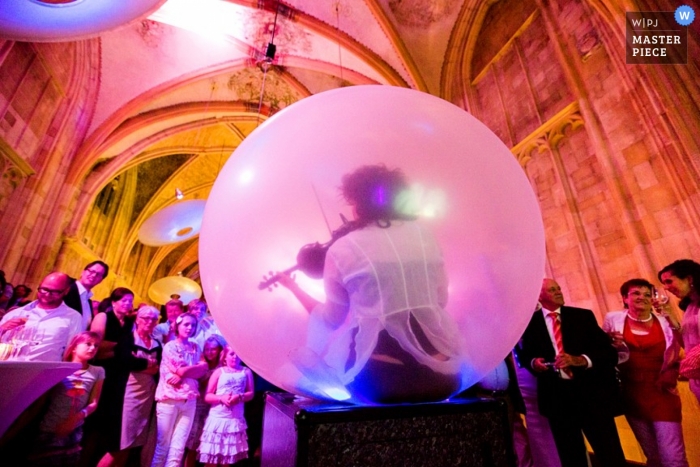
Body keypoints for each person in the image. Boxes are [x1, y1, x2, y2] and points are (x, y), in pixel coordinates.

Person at [276, 164, 463, 404]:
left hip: (382, 379)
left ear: (357, 202)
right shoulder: (424, 235)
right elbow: (440, 301)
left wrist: (294, 288)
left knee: (291, 375)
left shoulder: (342, 248)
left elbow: (331, 320)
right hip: (443, 377)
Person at [518, 278, 626, 467]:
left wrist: (581, 360)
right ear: (539, 296)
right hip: (557, 399)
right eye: (553, 290)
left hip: (590, 396)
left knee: (610, 453)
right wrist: (534, 363)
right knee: (571, 456)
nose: (559, 292)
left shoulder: (582, 316)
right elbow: (526, 356)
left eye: (559, 288)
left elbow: (608, 353)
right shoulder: (529, 324)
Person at [602, 278, 688, 467]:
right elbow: (602, 352)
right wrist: (608, 341)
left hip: (662, 393)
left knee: (673, 456)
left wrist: (672, 317)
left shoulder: (664, 321)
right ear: (625, 298)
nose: (643, 297)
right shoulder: (613, 319)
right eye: (636, 293)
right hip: (631, 395)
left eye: (647, 294)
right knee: (652, 455)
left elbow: (685, 346)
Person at [95, 306, 162, 467]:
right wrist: (146, 363)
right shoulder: (127, 339)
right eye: (146, 318)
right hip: (127, 395)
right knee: (118, 445)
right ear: (137, 319)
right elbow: (124, 361)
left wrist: (140, 364)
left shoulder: (157, 343)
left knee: (131, 445)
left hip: (146, 396)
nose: (149, 322)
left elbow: (158, 367)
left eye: (153, 319)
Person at [29, 331, 105, 466]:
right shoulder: (59, 368)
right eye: (88, 344)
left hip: (74, 430)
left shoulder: (97, 371)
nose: (93, 348)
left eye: (96, 346)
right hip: (51, 428)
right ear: (75, 347)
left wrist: (75, 419)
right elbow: (43, 399)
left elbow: (93, 403)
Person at [151, 312, 207, 467]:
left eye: (193, 325)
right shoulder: (170, 346)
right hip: (169, 399)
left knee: (178, 448)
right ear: (178, 326)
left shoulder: (195, 346)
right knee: (163, 446)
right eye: (186, 324)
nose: (190, 328)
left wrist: (190, 371)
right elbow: (182, 370)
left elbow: (204, 368)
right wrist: (193, 370)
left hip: (189, 400)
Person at [0, 272, 81, 361]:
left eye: (54, 292)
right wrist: (2, 329)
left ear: (66, 291)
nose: (47, 294)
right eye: (44, 289)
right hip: (9, 370)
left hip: (43, 372)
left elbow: (70, 354)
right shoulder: (16, 313)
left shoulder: (73, 317)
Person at [198, 345, 253, 466]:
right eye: (231, 354)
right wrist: (221, 398)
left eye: (237, 354)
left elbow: (251, 393)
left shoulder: (246, 371)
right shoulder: (219, 372)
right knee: (211, 458)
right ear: (225, 357)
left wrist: (239, 397)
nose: (235, 357)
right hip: (218, 419)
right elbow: (207, 395)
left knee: (227, 458)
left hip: (234, 420)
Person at [658, 259, 700, 404]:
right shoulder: (690, 307)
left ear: (689, 278)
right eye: (664, 283)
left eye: (669, 281)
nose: (666, 287)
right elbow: (685, 343)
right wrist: (669, 316)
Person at [185, 335, 226, 467]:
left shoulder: (225, 367)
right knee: (193, 443)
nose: (209, 352)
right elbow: (202, 387)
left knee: (211, 445)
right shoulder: (202, 365)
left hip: (216, 409)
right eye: (207, 349)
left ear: (220, 350)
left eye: (213, 349)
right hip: (200, 406)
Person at [90, 287, 136, 364]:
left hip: (121, 364)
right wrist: (121, 346)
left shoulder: (130, 323)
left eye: (130, 301)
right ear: (113, 303)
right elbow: (95, 343)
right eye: (124, 300)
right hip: (102, 362)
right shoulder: (103, 317)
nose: (128, 303)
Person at [64, 261, 109, 330]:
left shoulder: (89, 302)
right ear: (83, 272)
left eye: (98, 274)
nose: (93, 275)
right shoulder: (66, 288)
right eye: (91, 271)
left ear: (100, 280)